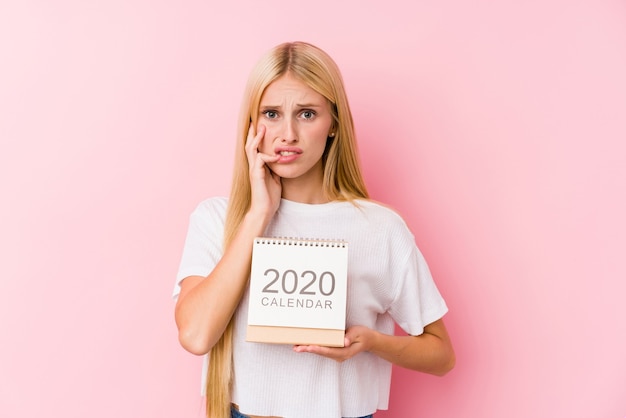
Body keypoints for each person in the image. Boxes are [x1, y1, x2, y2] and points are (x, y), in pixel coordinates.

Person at [173, 41, 455, 418]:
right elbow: (195, 335)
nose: (287, 134)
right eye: (271, 113)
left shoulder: (380, 229)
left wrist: (370, 342)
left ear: (333, 123)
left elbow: (441, 354)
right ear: (252, 126)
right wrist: (258, 214)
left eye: (306, 114)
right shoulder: (216, 219)